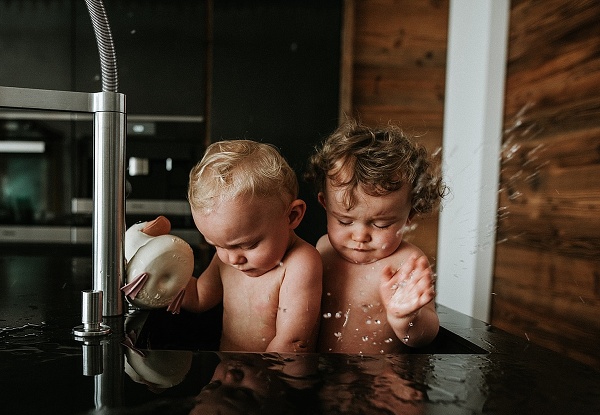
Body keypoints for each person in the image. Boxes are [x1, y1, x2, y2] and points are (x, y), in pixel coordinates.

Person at [304, 118, 447, 354]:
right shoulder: (323, 248)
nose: (360, 236)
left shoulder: (406, 263)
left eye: (381, 224)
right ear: (325, 204)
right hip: (323, 371)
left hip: (379, 373)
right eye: (344, 221)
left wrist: (406, 318)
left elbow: (426, 336)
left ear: (409, 215)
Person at [180, 140, 322, 353]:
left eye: (249, 245)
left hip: (278, 371)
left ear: (292, 216)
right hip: (230, 368)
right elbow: (199, 297)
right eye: (217, 245)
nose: (233, 259)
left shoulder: (300, 263)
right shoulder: (226, 259)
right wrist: (162, 282)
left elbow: (292, 341)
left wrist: (264, 373)